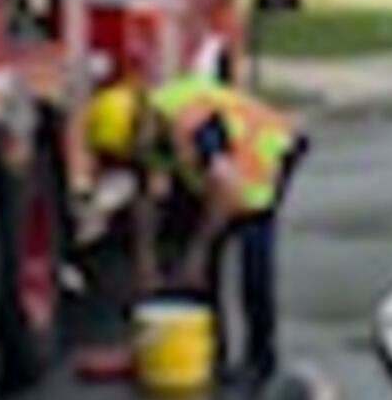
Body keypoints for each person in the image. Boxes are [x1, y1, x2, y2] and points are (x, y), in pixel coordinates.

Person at [79, 71, 304, 381]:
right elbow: (145, 197)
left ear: (138, 123)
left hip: (266, 151)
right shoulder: (149, 127)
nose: (133, 155)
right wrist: (146, 260)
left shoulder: (190, 124)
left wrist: (198, 253)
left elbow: (226, 190)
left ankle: (261, 357)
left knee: (251, 240)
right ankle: (210, 346)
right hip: (220, 165)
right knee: (190, 231)